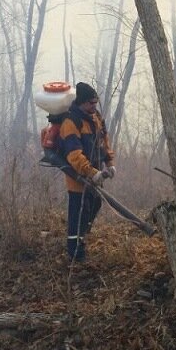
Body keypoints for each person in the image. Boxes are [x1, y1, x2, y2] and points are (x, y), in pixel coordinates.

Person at [59, 82, 116, 261]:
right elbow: (74, 155)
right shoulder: (71, 122)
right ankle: (75, 254)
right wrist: (91, 173)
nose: (94, 106)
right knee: (78, 214)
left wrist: (109, 163)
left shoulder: (95, 117)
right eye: (91, 103)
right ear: (82, 102)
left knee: (95, 204)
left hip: (96, 175)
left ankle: (82, 238)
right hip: (79, 180)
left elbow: (103, 141)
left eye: (96, 102)